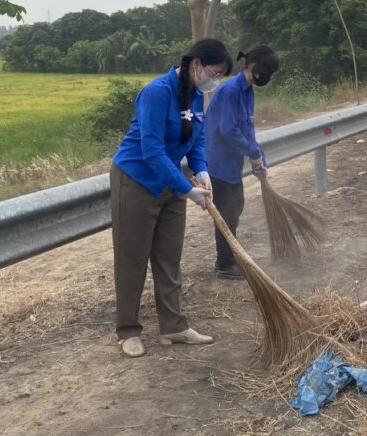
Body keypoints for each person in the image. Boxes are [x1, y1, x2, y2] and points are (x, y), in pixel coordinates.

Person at [111, 39, 233, 358]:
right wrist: (186, 189)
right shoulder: (156, 92)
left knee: (169, 257)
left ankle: (174, 327)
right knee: (132, 259)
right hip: (136, 180)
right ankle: (128, 331)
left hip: (172, 181)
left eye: (220, 75)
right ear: (196, 64)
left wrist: (202, 172)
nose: (215, 80)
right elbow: (151, 150)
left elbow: (196, 141)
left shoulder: (195, 95)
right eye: (214, 72)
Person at [205, 46, 280, 280]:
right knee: (228, 211)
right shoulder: (230, 91)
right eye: (267, 70)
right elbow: (228, 129)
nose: (267, 76)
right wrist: (251, 151)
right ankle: (224, 265)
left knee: (235, 208)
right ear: (253, 66)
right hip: (218, 159)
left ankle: (230, 257)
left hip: (232, 160)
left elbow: (247, 127)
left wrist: (258, 156)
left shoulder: (247, 91)